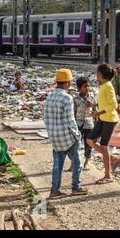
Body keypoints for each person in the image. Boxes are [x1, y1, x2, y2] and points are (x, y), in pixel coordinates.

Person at [44, 69, 89, 199]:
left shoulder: (49, 97)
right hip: (68, 137)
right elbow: (71, 120)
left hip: (55, 137)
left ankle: (54, 191)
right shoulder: (67, 98)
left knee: (57, 165)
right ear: (68, 82)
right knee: (77, 162)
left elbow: (45, 118)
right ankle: (76, 187)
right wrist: (78, 136)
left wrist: (52, 133)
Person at [86, 64, 120, 185]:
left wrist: (98, 112)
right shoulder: (104, 86)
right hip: (103, 117)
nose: (96, 75)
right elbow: (105, 102)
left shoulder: (108, 86)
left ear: (100, 75)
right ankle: (112, 158)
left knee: (104, 145)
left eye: (97, 73)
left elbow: (114, 105)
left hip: (109, 119)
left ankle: (108, 175)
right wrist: (94, 106)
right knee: (90, 140)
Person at [74, 77, 97, 171]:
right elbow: (73, 112)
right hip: (78, 124)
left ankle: (87, 162)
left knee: (89, 145)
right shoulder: (75, 98)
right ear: (79, 88)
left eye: (88, 85)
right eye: (84, 86)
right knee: (76, 144)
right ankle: (74, 163)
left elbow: (95, 111)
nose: (87, 88)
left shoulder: (92, 97)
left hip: (89, 124)